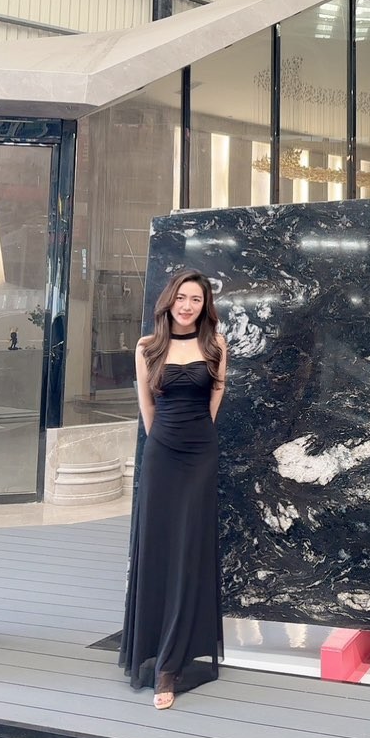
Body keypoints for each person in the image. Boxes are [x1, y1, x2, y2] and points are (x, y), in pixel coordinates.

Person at [119, 269, 228, 709]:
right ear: (170, 300)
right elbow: (146, 406)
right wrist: (162, 443)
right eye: (182, 297)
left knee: (189, 551)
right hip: (161, 454)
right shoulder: (147, 347)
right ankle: (151, 649)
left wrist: (197, 440)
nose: (187, 305)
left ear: (204, 306)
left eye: (196, 300)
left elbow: (215, 397)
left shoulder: (215, 344)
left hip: (200, 455)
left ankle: (170, 665)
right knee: (158, 549)